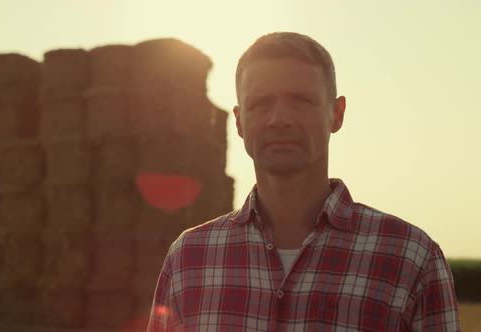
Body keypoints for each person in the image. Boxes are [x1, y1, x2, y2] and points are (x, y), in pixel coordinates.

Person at [147, 32, 460, 331]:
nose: (279, 118)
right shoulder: (189, 258)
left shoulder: (411, 258)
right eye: (261, 103)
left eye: (301, 101)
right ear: (240, 122)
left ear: (336, 114)